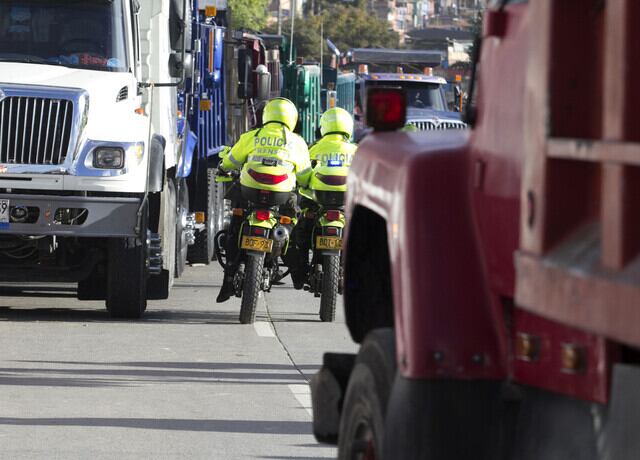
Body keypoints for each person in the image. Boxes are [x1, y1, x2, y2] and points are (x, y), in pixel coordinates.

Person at [216, 97, 311, 303]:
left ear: (266, 115)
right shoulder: (297, 142)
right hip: (281, 195)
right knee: (292, 226)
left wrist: (223, 168)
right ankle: (293, 266)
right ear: (292, 119)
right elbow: (304, 176)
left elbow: (231, 161)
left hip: (250, 191)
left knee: (235, 222)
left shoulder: (252, 136)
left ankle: (229, 276)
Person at [292, 107, 356, 289]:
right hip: (347, 205)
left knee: (301, 234)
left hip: (316, 203)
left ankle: (300, 275)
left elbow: (302, 173)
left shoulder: (313, 149)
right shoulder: (355, 150)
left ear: (323, 127)